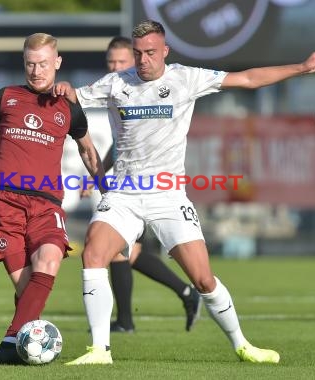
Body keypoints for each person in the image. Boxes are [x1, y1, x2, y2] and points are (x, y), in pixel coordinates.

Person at [53, 20, 315, 365]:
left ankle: (243, 345)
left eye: (151, 53)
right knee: (93, 255)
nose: (143, 60)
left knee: (203, 279)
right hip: (125, 193)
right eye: (138, 54)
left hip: (169, 195)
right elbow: (69, 97)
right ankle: (99, 350)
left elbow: (247, 79)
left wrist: (301, 68)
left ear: (165, 52)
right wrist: (62, 86)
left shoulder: (186, 78)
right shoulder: (116, 83)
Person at [0, 32, 105, 365]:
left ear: (57, 63)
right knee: (27, 290)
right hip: (2, 204)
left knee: (48, 264)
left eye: (44, 64)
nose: (36, 71)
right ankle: (23, 340)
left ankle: (10, 343)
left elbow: (89, 152)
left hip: (46, 204)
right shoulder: (4, 97)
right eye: (30, 63)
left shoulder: (69, 107)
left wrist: (107, 190)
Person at [83, 36, 201, 333]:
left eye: (122, 62)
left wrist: (99, 173)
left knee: (121, 251)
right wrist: (97, 174)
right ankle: (175, 298)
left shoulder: (150, 85)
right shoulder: (116, 87)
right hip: (127, 186)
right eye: (111, 62)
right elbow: (120, 145)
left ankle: (134, 316)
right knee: (121, 251)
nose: (116, 67)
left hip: (157, 186)